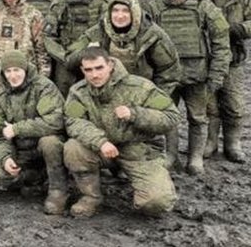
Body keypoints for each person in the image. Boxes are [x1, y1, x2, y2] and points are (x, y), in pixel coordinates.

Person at [64, 47, 181, 217]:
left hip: (138, 150)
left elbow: (171, 117)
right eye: (88, 70)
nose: (94, 75)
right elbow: (74, 121)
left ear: (110, 65)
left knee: (156, 203)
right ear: (82, 70)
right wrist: (100, 142)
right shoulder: (78, 92)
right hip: (102, 149)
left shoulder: (140, 86)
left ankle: (147, 183)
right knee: (73, 147)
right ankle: (91, 196)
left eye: (99, 68)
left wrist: (135, 114)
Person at [148, 0, 231, 174]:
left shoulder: (205, 7)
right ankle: (171, 155)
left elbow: (221, 42)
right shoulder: (154, 8)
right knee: (168, 117)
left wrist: (216, 75)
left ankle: (195, 158)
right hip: (166, 75)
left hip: (198, 75)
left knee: (198, 118)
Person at [0, 50, 67, 215]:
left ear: (26, 69)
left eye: (17, 70)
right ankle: (35, 178)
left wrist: (17, 129)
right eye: (8, 71)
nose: (13, 75)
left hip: (45, 149)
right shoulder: (0, 97)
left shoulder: (44, 87)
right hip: (22, 151)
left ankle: (58, 190)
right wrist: (6, 158)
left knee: (49, 142)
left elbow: (55, 121)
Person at [199, 0, 251, 162]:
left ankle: (232, 143)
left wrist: (239, 29)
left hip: (233, 59)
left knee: (233, 104)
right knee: (208, 104)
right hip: (205, 58)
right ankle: (210, 142)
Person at [43, 0, 108, 96]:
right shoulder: (59, 5)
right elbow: (48, 36)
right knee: (63, 91)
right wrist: (63, 56)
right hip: (66, 57)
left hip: (94, 54)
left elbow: (106, 30)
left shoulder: (100, 4)